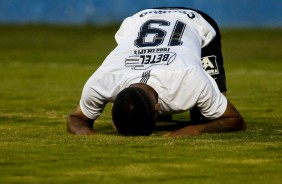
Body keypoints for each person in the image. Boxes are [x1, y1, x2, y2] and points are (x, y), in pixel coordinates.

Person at [67, 7, 246, 136]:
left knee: (203, 117)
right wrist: (85, 133)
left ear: (157, 108)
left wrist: (195, 129)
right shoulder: (103, 79)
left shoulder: (190, 78)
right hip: (138, 20)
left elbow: (234, 119)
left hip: (196, 22)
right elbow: (76, 119)